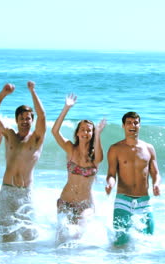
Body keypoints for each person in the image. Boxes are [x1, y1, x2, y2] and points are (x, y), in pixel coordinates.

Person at [0, 81, 46, 242]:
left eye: (28, 118)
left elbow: (42, 116)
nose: (25, 121)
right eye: (22, 118)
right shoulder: (9, 135)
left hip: (25, 193)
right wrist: (3, 94)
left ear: (32, 120)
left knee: (29, 237)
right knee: (6, 237)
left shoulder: (36, 139)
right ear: (16, 120)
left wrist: (33, 91)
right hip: (7, 192)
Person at [51, 93, 106, 244]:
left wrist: (98, 134)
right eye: (82, 129)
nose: (85, 132)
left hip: (84, 205)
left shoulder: (95, 156)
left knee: (77, 235)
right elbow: (54, 131)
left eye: (89, 130)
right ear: (77, 132)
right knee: (61, 238)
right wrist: (66, 108)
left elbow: (100, 159)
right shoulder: (70, 149)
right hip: (66, 201)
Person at [105, 111, 161, 246]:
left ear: (139, 125)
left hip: (144, 200)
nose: (133, 125)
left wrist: (156, 184)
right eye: (129, 122)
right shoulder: (115, 149)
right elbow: (111, 174)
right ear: (123, 126)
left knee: (148, 241)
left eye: (136, 123)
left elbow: (156, 173)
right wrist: (110, 184)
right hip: (123, 199)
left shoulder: (149, 148)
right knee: (120, 242)